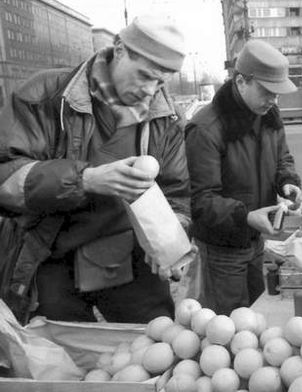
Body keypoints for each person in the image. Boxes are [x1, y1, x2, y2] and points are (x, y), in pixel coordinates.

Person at [0, 16, 191, 323]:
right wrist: (86, 179)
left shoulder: (166, 118)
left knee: (154, 349)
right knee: (63, 360)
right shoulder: (44, 95)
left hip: (132, 262)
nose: (150, 90)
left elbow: (177, 193)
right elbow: (5, 176)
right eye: (144, 75)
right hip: (51, 259)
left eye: (160, 81)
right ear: (118, 48)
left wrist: (171, 241)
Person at [185, 40, 302, 316]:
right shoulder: (206, 128)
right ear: (241, 81)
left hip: (255, 242)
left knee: (256, 317)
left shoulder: (269, 114)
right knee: (227, 328)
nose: (274, 99)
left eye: (278, 93)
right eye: (267, 91)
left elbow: (282, 157)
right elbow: (200, 201)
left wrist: (288, 183)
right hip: (221, 250)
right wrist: (246, 216)